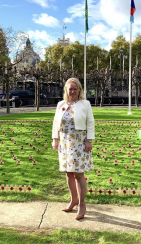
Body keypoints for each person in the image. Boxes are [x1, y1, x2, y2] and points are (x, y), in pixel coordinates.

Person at [52, 78, 95, 220]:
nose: (73, 91)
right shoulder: (61, 104)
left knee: (79, 174)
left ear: (79, 90)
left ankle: (82, 204)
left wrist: (89, 140)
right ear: (66, 90)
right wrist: (55, 139)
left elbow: (90, 123)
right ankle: (73, 199)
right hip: (65, 142)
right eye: (70, 89)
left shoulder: (85, 104)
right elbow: (56, 123)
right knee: (68, 173)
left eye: (75, 89)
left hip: (80, 141)